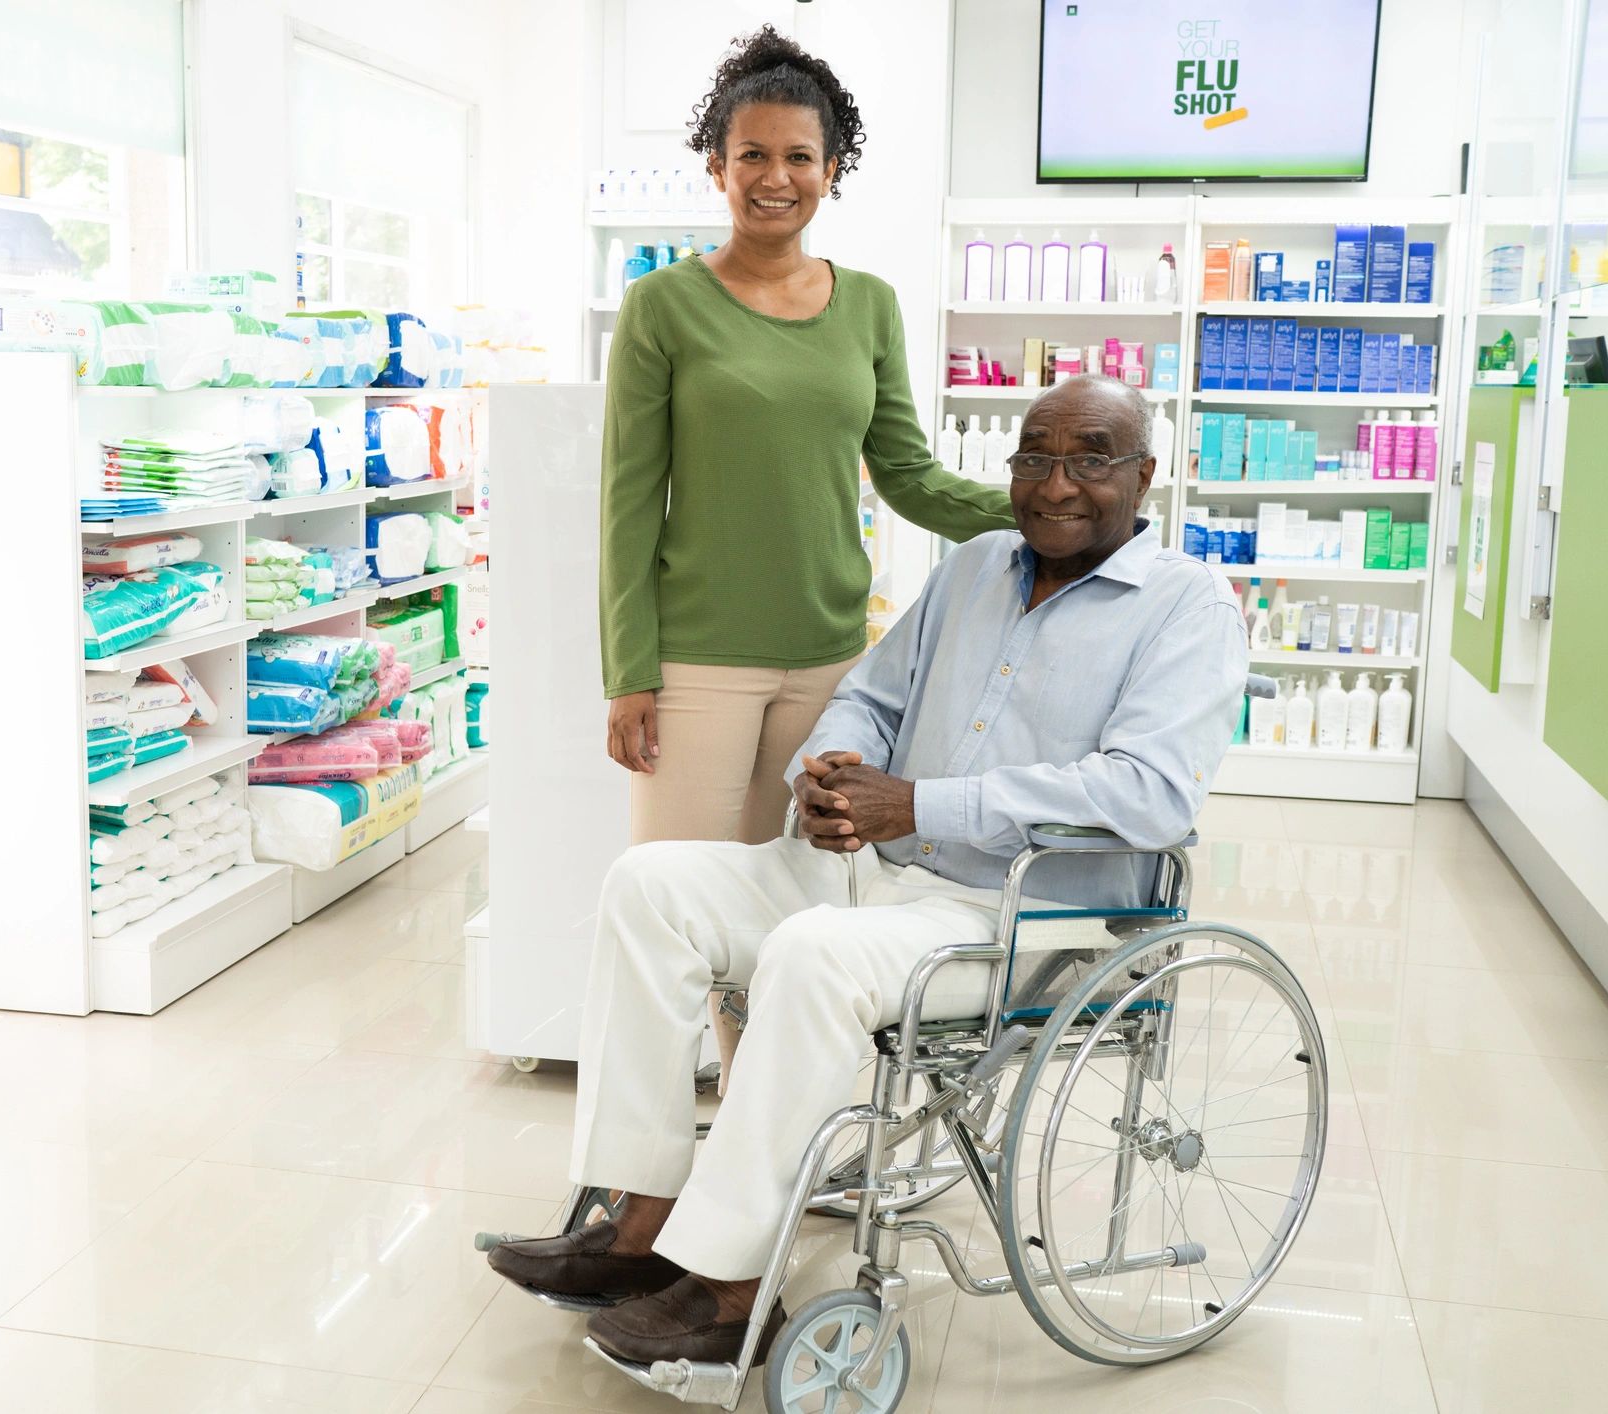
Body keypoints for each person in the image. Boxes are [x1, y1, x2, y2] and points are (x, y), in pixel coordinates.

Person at [491, 377, 1249, 1366]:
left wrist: (921, 803)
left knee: (811, 953)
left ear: (1145, 474)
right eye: (1034, 458)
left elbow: (1150, 793)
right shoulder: (976, 567)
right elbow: (872, 694)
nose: (1057, 483)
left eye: (1091, 458)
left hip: (1017, 921)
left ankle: (729, 1283)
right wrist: (835, 766)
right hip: (876, 875)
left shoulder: (1189, 607)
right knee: (651, 885)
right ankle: (640, 1223)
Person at [601, 24, 1014, 846]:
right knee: (677, 894)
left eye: (798, 156)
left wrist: (1042, 513)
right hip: (697, 659)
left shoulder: (869, 304)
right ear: (717, 166)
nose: (774, 177)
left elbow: (907, 476)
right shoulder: (663, 304)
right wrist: (628, 675)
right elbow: (630, 501)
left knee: (797, 901)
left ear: (830, 170)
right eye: (751, 155)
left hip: (831, 658)